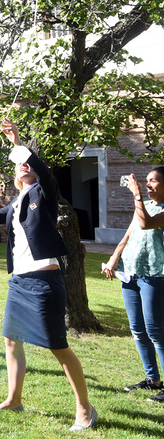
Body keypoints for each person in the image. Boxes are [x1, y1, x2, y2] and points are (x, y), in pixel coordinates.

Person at [0, 118, 95, 431]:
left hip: (44, 282)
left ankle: (85, 408)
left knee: (59, 346)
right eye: (19, 166)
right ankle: (14, 399)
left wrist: (17, 142)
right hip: (19, 282)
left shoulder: (44, 196)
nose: (24, 168)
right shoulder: (17, 202)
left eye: (26, 164)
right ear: (15, 177)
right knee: (10, 341)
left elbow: (41, 171)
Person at [102, 166, 164, 401]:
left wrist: (137, 193)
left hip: (155, 275)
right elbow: (129, 234)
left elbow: (147, 224)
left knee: (156, 331)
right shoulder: (145, 205)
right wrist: (113, 258)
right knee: (138, 329)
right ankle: (153, 380)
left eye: (153, 181)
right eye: (146, 181)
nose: (148, 184)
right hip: (131, 273)